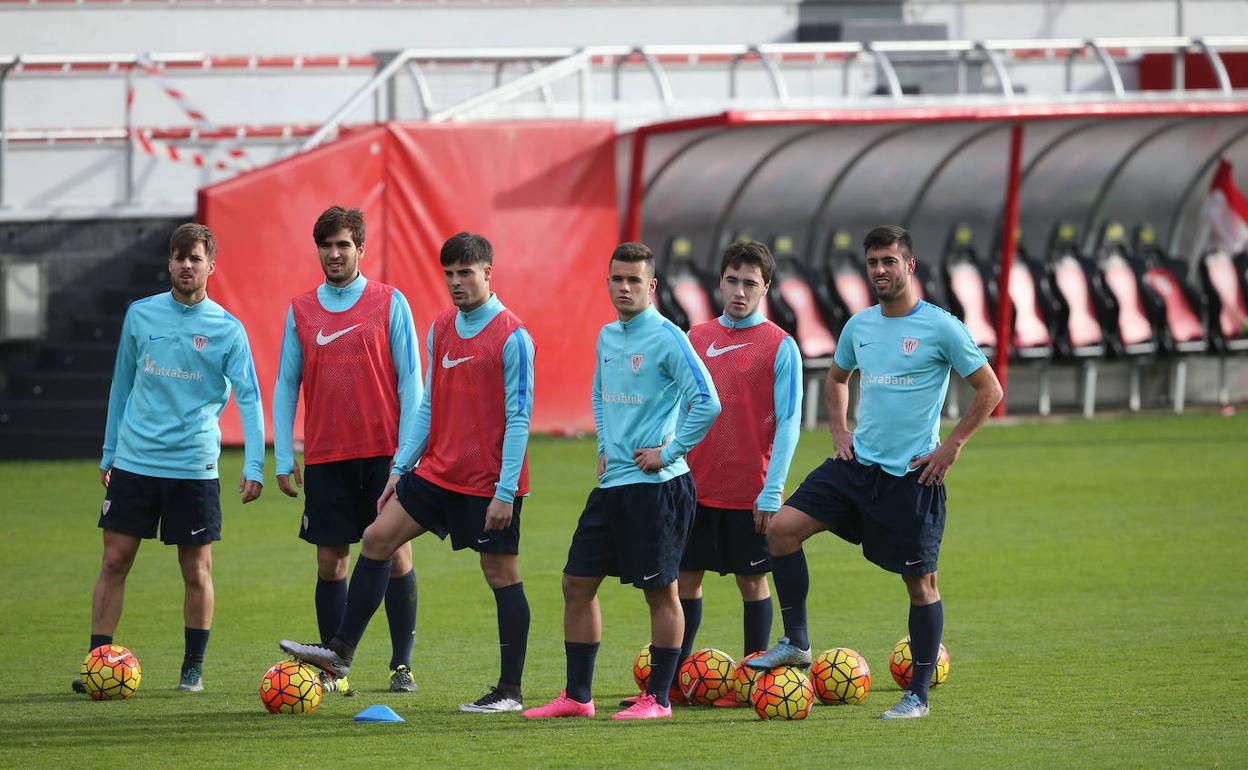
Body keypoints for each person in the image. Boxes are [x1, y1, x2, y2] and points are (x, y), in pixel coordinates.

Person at [746, 225, 1003, 720]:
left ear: (909, 266)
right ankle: (797, 641)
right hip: (855, 468)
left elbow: (989, 389)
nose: (880, 271)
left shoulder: (941, 327)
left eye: (889, 261)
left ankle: (918, 697)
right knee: (780, 530)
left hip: (912, 478)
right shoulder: (859, 326)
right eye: (873, 263)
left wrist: (951, 447)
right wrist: (839, 431)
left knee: (921, 586)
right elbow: (838, 378)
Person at [281, 232, 535, 714]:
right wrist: (400, 469)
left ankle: (510, 692)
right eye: (450, 274)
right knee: (377, 539)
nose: (457, 282)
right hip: (437, 473)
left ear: (488, 274)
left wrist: (505, 491)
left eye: (466, 273)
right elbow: (427, 404)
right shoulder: (441, 327)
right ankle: (339, 653)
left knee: (499, 571)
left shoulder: (513, 336)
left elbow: (520, 418)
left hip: (486, 482)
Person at [524, 241, 721, 721]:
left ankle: (658, 699)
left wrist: (669, 452)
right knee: (576, 583)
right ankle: (578, 697)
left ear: (651, 286)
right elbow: (599, 392)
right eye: (618, 279)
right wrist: (601, 448)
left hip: (660, 489)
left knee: (661, 591)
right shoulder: (607, 336)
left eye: (634, 280)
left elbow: (708, 402)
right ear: (608, 282)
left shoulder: (670, 337)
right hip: (613, 486)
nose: (625, 287)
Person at [74, 222, 265, 695]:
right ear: (169, 262)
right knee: (114, 560)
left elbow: (250, 398)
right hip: (135, 461)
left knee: (196, 570)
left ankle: (192, 671)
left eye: (195, 258)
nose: (186, 265)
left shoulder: (227, 329)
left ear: (210, 266)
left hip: (192, 466)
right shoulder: (140, 316)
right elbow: (121, 386)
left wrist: (255, 464)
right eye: (179, 256)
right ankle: (98, 665)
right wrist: (109, 451)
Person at [272, 206, 423, 695]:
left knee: (396, 554)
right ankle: (335, 668)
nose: (334, 254)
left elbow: (412, 382)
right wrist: (281, 454)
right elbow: (284, 384)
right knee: (330, 561)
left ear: (360, 248)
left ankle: (401, 666)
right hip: (325, 456)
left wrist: (408, 454)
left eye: (343, 245)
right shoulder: (301, 309)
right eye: (326, 245)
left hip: (383, 455)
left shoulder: (389, 302)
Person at [668, 240, 802, 706]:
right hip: (694, 488)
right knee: (685, 578)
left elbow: (789, 423)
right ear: (719, 280)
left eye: (750, 283)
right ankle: (676, 680)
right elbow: (677, 405)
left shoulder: (780, 346)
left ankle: (752, 679)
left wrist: (773, 490)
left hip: (751, 492)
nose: (739, 291)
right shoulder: (696, 337)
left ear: (766, 287)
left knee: (752, 583)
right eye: (732, 280)